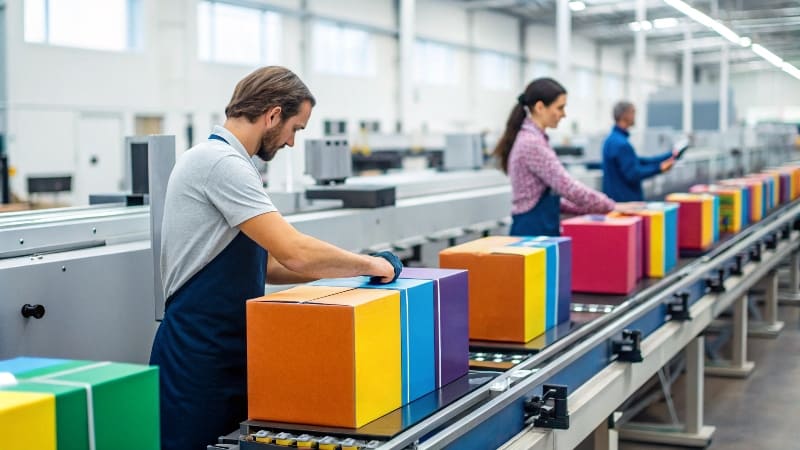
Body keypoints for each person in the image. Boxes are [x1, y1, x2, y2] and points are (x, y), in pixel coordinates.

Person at [149, 66, 401, 450]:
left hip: (226, 346)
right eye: (295, 128)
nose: (292, 142)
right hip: (198, 355)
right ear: (272, 115)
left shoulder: (233, 163)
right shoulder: (220, 163)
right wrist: (369, 264)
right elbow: (294, 251)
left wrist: (336, 276)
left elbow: (266, 264)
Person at [494, 77, 616, 237]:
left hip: (538, 227)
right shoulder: (531, 143)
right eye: (560, 108)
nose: (563, 114)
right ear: (540, 107)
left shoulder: (535, 139)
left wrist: (594, 208)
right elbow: (567, 187)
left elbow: (557, 199)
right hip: (531, 230)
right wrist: (611, 206)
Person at [602, 101, 677, 202]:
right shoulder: (621, 144)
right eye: (633, 112)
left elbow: (640, 161)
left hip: (617, 201)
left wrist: (670, 155)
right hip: (627, 203)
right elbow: (633, 174)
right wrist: (659, 168)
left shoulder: (612, 140)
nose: (635, 116)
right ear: (624, 115)